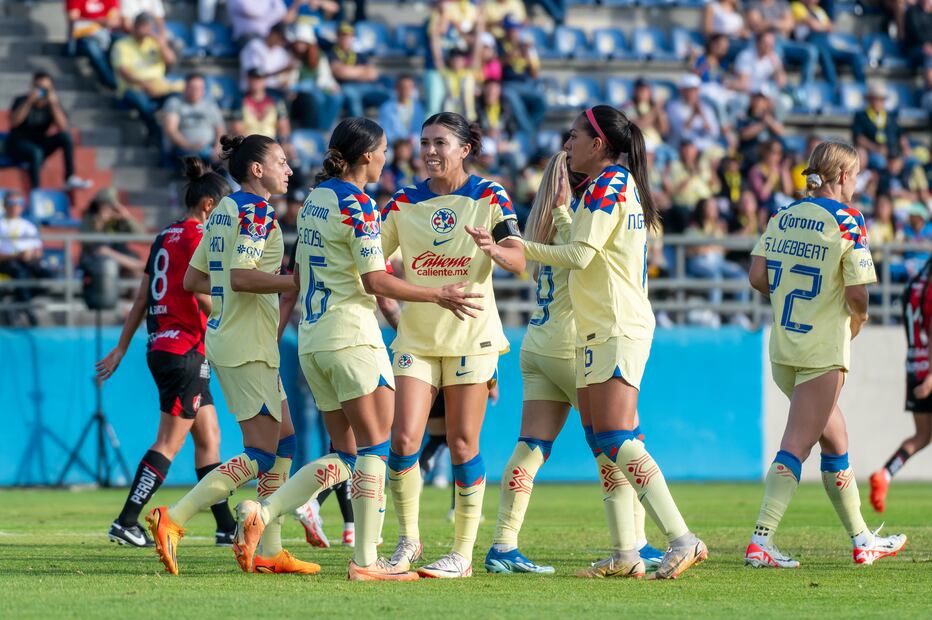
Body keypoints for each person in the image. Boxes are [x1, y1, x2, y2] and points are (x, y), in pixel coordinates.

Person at [234, 118, 481, 581]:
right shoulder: (359, 205)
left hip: (313, 343)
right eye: (384, 150)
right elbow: (374, 280)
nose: (388, 158)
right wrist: (438, 294)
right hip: (351, 338)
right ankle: (367, 561)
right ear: (367, 155)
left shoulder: (314, 200)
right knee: (375, 448)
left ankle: (263, 513)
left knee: (345, 455)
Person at [516, 105, 707, 579]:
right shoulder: (610, 187)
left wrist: (518, 247)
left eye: (575, 135)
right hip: (601, 326)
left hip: (618, 325)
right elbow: (585, 243)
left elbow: (579, 256)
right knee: (603, 438)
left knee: (619, 436)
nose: (568, 144)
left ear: (598, 143)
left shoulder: (609, 184)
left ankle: (682, 538)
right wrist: (561, 212)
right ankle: (626, 552)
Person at [484, 151, 664, 576]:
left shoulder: (538, 224)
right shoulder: (582, 220)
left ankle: (503, 544)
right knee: (618, 442)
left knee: (531, 447)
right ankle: (635, 544)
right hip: (574, 345)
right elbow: (585, 260)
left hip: (537, 344)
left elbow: (532, 264)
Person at [146, 134, 314, 576]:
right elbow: (241, 277)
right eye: (281, 161)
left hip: (231, 337)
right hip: (247, 345)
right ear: (256, 169)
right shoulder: (257, 211)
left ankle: (268, 548)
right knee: (261, 452)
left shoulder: (224, 209)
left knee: (285, 442)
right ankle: (174, 517)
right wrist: (296, 282)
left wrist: (245, 290)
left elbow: (194, 280)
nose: (289, 169)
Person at [745, 140, 907, 569]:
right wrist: (861, 316)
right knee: (797, 444)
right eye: (855, 177)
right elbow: (857, 293)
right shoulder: (849, 220)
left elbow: (757, 277)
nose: (857, 184)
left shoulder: (782, 214)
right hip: (822, 351)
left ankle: (861, 540)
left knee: (835, 441)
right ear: (841, 177)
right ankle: (761, 540)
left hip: (784, 348)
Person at [381, 112, 526, 578]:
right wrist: (392, 306)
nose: (429, 151)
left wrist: (494, 250)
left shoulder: (489, 195)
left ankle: (462, 554)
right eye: (424, 142)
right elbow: (375, 264)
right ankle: (407, 542)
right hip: (417, 338)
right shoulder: (402, 201)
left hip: (471, 336)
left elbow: (519, 259)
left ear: (465, 149)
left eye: (440, 143)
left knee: (463, 444)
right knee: (403, 439)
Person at [96, 158, 237, 548]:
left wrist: (122, 348)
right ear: (209, 206)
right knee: (168, 443)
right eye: (223, 212)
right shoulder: (198, 238)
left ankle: (226, 527)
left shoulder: (164, 236)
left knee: (209, 436)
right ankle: (126, 520)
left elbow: (142, 296)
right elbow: (203, 295)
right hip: (185, 350)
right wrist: (236, 322)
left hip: (164, 345)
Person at [870, 255, 932, 513]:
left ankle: (884, 475)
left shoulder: (917, 281)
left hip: (913, 365)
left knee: (922, 435)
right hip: (928, 368)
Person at [6, 73, 93, 191]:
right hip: (18, 144)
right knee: (35, 152)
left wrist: (54, 105)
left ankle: (70, 177)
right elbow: (14, 122)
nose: (41, 91)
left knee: (65, 137)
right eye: (38, 87)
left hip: (40, 143)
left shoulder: (52, 105)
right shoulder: (21, 100)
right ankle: (36, 190)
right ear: (32, 86)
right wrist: (29, 102)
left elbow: (63, 127)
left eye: (45, 88)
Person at [110, 12, 178, 145]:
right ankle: (156, 132)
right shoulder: (121, 45)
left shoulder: (154, 43)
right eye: (143, 26)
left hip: (158, 87)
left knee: (176, 97)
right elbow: (124, 72)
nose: (146, 30)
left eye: (149, 27)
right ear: (135, 27)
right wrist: (145, 85)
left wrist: (161, 43)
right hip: (133, 88)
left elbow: (171, 61)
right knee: (141, 101)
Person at [0, 191, 51, 326]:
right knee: (18, 271)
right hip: (7, 262)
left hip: (25, 261)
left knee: (48, 276)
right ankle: (29, 313)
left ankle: (18, 303)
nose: (15, 206)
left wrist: (31, 255)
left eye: (19, 203)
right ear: (5, 205)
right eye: (12, 203)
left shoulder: (28, 226)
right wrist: (17, 255)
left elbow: (39, 252)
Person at [790, 0, 866, 87]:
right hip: (808, 43)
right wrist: (823, 26)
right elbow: (814, 26)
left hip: (825, 42)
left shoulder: (819, 10)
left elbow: (831, 27)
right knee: (825, 54)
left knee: (853, 55)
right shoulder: (796, 6)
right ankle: (833, 86)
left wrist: (821, 26)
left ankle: (862, 87)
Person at [162, 73, 226, 168]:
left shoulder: (210, 105)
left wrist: (217, 148)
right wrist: (189, 146)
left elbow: (220, 129)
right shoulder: (175, 103)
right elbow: (171, 130)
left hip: (209, 150)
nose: (196, 91)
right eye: (193, 87)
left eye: (200, 88)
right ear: (186, 87)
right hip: (182, 150)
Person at [328, 23, 392, 118]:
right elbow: (340, 73)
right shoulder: (332, 53)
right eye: (343, 36)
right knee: (353, 96)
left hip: (365, 86)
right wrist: (362, 71)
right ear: (338, 37)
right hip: (344, 86)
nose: (346, 39)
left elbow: (373, 74)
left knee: (388, 95)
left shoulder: (359, 55)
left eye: (349, 36)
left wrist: (348, 71)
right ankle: (359, 128)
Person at [79, 188, 147, 277]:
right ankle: (139, 265)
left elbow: (143, 237)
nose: (108, 209)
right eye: (104, 205)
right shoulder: (90, 217)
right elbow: (87, 243)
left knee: (137, 274)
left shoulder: (119, 219)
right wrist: (100, 223)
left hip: (120, 256)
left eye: (110, 205)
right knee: (104, 251)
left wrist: (128, 219)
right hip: (96, 258)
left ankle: (137, 268)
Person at [852, 83, 910, 172]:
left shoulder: (890, 116)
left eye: (881, 99)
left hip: (893, 151)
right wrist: (875, 148)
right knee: (880, 162)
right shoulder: (861, 116)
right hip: (872, 152)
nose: (878, 102)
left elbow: (901, 134)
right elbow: (859, 137)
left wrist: (905, 148)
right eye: (875, 99)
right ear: (870, 100)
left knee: (911, 161)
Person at [66, 0, 119, 89]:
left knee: (121, 40)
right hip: (82, 37)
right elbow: (73, 18)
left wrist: (97, 22)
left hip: (105, 34)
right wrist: (99, 21)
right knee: (92, 47)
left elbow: (115, 21)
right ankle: (110, 80)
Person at [233, 69, 292, 144]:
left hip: (272, 144)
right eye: (253, 79)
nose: (256, 82)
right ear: (248, 80)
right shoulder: (240, 101)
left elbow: (284, 128)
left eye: (259, 79)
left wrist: (283, 143)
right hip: (249, 145)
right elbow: (238, 130)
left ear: (265, 81)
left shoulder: (276, 101)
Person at [239, 23, 296, 93]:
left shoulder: (281, 52)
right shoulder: (254, 46)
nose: (282, 42)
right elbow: (255, 74)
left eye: (285, 40)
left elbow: (285, 74)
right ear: (273, 33)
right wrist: (282, 70)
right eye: (281, 38)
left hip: (274, 90)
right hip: (252, 91)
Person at [379, 74, 426, 145]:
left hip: (413, 145)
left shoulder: (418, 107)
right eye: (402, 87)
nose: (405, 90)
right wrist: (400, 143)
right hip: (394, 146)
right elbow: (386, 131)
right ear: (396, 88)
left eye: (409, 87)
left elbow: (420, 129)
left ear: (413, 89)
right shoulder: (386, 107)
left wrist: (412, 140)